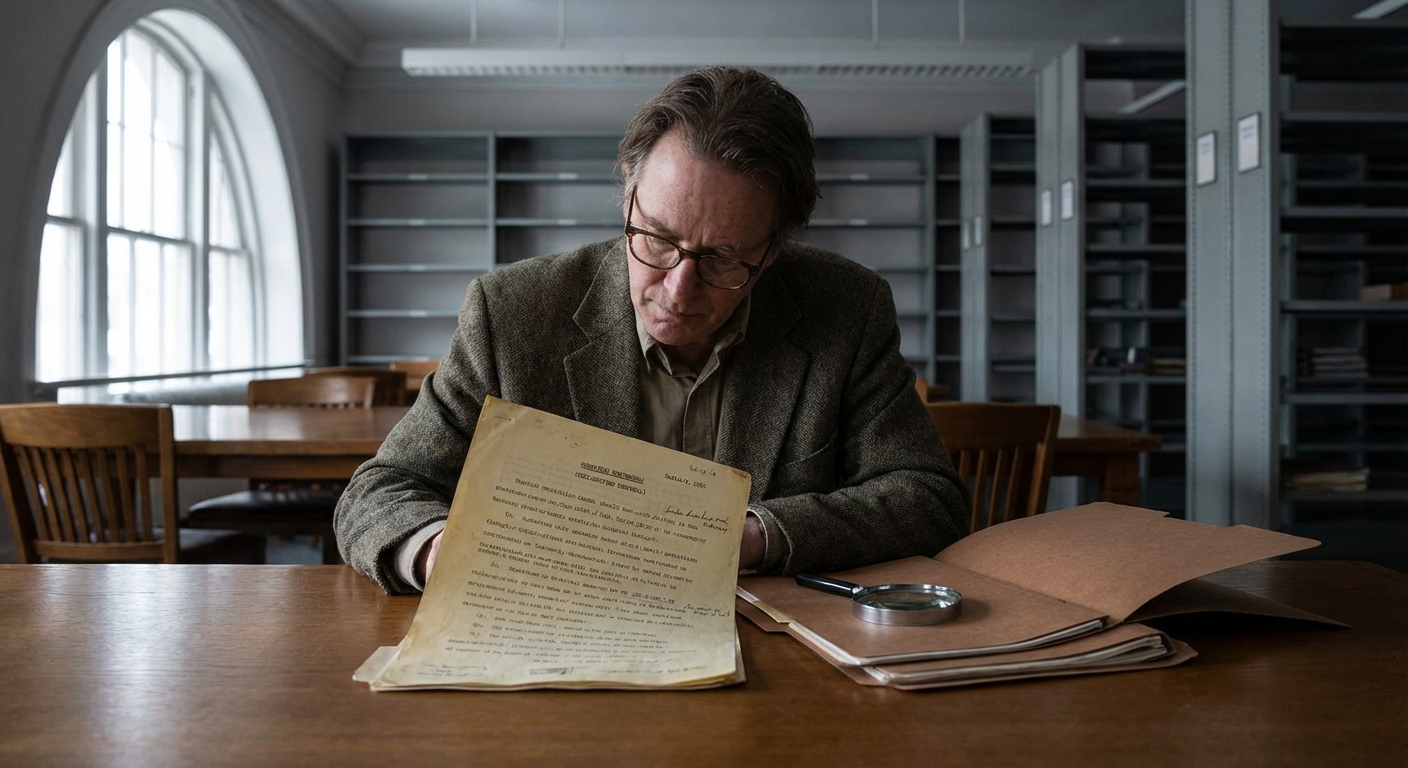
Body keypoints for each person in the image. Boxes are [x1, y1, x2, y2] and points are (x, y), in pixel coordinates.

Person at [336, 66, 969, 594]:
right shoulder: (512, 312)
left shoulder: (846, 308)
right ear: (627, 199)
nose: (678, 291)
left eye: (721, 257)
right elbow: (380, 491)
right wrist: (436, 551)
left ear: (774, 248)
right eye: (658, 240)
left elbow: (927, 497)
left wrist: (752, 535)